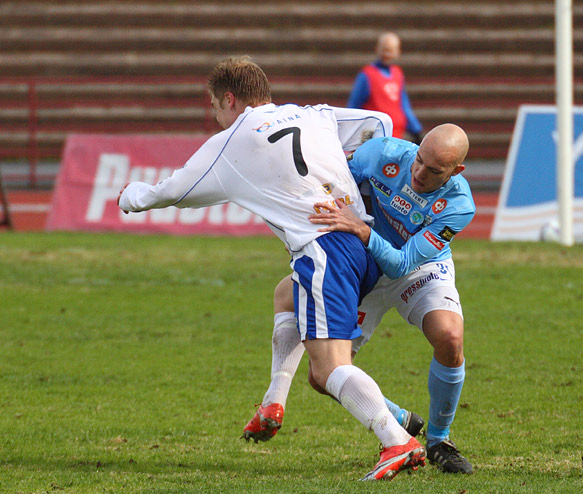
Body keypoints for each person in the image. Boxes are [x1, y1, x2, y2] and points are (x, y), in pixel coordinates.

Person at [117, 56, 426, 481]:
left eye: (215, 107)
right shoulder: (312, 114)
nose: (216, 117)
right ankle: (272, 401)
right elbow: (379, 123)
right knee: (286, 294)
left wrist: (128, 196)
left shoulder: (231, 141)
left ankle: (397, 440)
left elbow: (172, 192)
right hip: (362, 240)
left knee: (329, 368)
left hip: (323, 251)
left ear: (229, 99)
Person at [245, 124, 476, 474]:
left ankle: (439, 441)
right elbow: (330, 187)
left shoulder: (459, 205)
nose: (418, 173)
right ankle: (399, 421)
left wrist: (364, 230)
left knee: (450, 337)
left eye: (434, 171)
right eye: (419, 160)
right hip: (364, 263)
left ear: (456, 171)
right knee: (322, 374)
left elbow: (402, 263)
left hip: (417, 267)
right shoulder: (381, 153)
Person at [347, 32, 423, 143]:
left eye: (390, 50)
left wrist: (416, 130)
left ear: (398, 52)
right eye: (384, 49)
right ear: (377, 49)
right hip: (375, 135)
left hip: (396, 134)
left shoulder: (397, 73)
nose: (387, 54)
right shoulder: (367, 75)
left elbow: (403, 105)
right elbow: (354, 106)